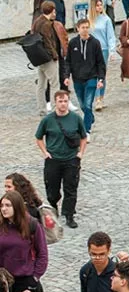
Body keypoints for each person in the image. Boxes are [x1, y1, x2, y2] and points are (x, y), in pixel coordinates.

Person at [35, 91, 88, 229]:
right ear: (55, 102)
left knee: (71, 188)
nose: (63, 104)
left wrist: (80, 153)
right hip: (53, 159)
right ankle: (53, 207)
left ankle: (69, 214)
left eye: (65, 101)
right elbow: (39, 137)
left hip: (71, 159)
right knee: (52, 188)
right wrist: (45, 152)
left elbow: (83, 136)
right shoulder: (48, 120)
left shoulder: (76, 118)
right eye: (60, 101)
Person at [0, 192, 48, 292]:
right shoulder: (1, 225)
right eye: (1, 206)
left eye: (8, 205)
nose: (4, 209)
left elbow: (42, 253)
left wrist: (35, 277)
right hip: (3, 281)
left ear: (16, 206)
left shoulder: (32, 225)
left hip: (24, 280)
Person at [64, 18, 107, 135]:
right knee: (82, 105)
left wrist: (101, 79)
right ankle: (90, 117)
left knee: (88, 104)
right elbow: (68, 61)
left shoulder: (95, 43)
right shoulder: (73, 43)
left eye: (87, 27)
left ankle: (86, 130)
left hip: (91, 78)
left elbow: (100, 63)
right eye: (83, 27)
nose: (85, 30)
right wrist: (67, 76)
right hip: (77, 78)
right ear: (78, 29)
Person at [85, 0, 117, 113]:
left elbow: (111, 36)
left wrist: (112, 51)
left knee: (101, 74)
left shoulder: (106, 19)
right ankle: (96, 97)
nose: (99, 7)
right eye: (97, 5)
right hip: (91, 50)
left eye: (100, 5)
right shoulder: (88, 20)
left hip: (103, 49)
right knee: (92, 74)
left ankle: (100, 98)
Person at [31, 2, 64, 111]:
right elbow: (48, 42)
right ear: (51, 11)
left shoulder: (37, 21)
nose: (55, 13)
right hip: (48, 58)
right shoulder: (46, 24)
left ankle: (41, 108)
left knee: (41, 84)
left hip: (39, 57)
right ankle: (55, 108)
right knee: (54, 84)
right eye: (54, 11)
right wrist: (55, 55)